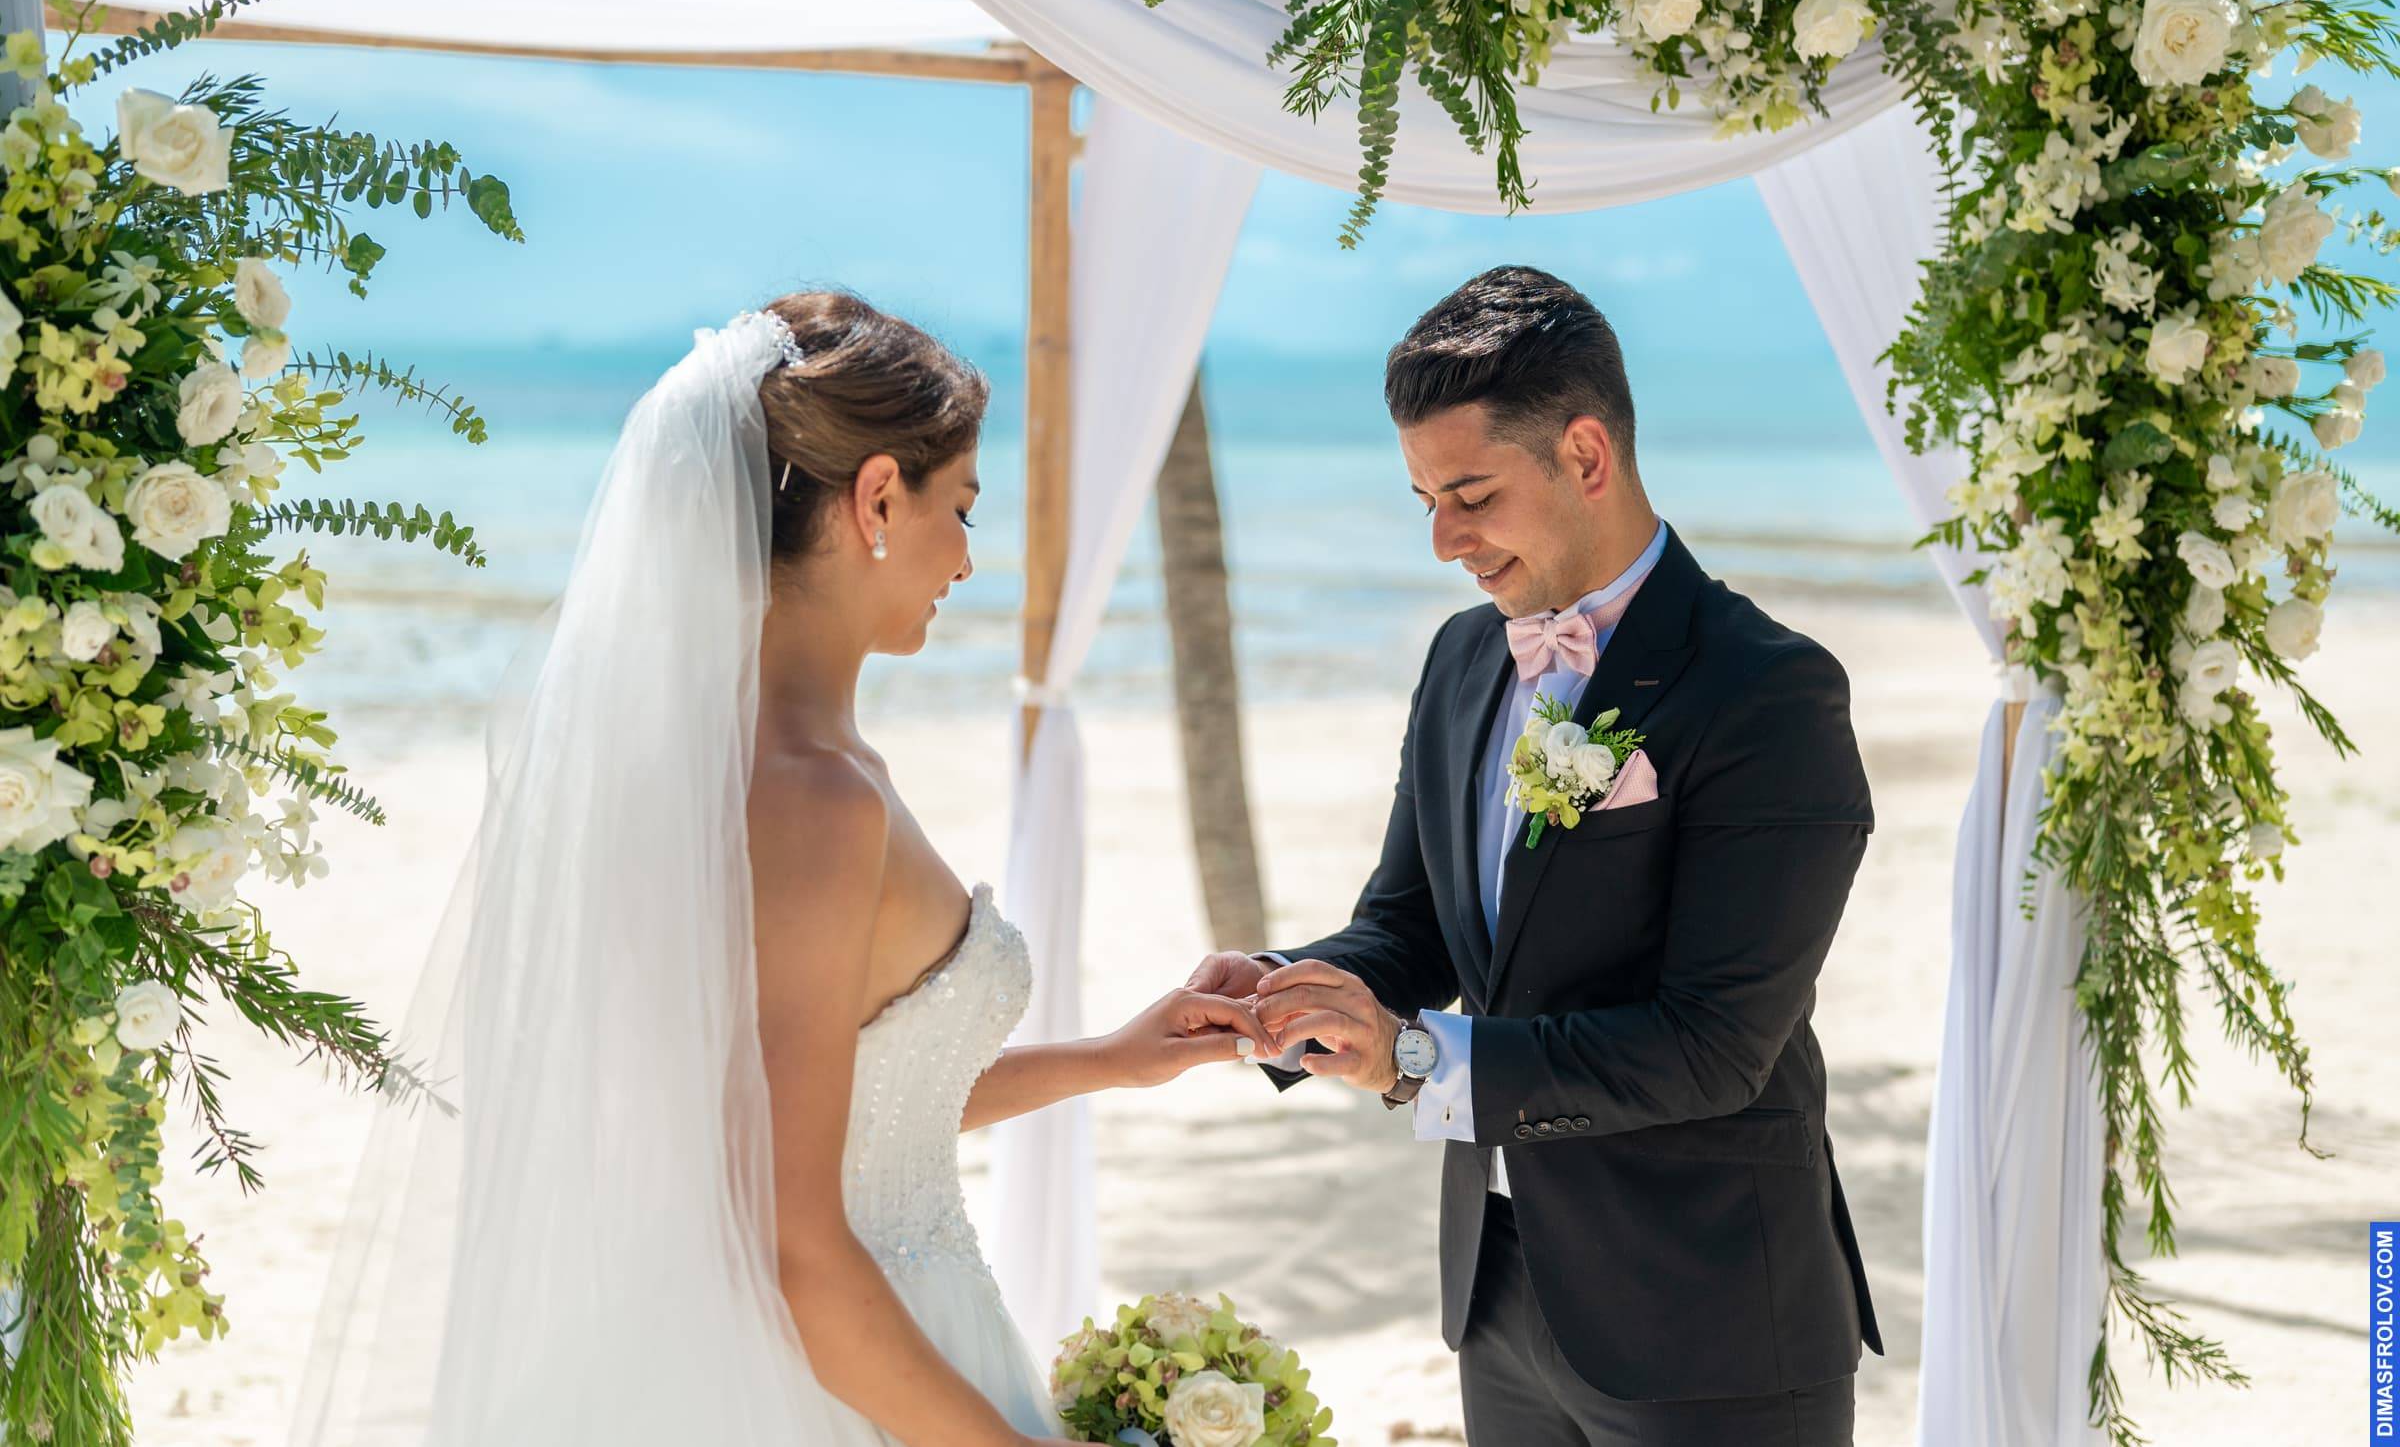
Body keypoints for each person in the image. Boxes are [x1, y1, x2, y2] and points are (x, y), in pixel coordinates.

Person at [293, 292, 1262, 1447]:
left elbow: (831, 1106)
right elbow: (794, 1245)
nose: (967, 556)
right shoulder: (812, 797)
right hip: (840, 1376)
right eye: (961, 506)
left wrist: (1113, 1058)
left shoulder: (737, 768)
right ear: (879, 497)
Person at [1191, 266, 1883, 1447]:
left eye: (1470, 495)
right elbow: (1412, 925)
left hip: (1707, 1316)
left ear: (1586, 453)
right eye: (1424, 499)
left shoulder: (1769, 691)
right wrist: (1288, 990)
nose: (1443, 540)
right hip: (1499, 1291)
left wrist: (1414, 1057)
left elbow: (1714, 1046)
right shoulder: (1462, 659)